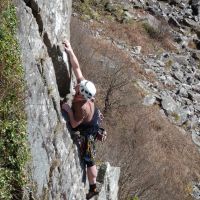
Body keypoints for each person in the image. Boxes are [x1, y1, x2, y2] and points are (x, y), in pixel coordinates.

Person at [61, 40, 106, 199]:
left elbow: (74, 124)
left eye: (78, 89)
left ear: (81, 95)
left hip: (89, 128)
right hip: (93, 117)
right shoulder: (84, 87)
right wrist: (70, 50)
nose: (76, 86)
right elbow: (77, 68)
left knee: (89, 159)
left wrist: (67, 110)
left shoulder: (81, 108)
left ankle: (93, 187)